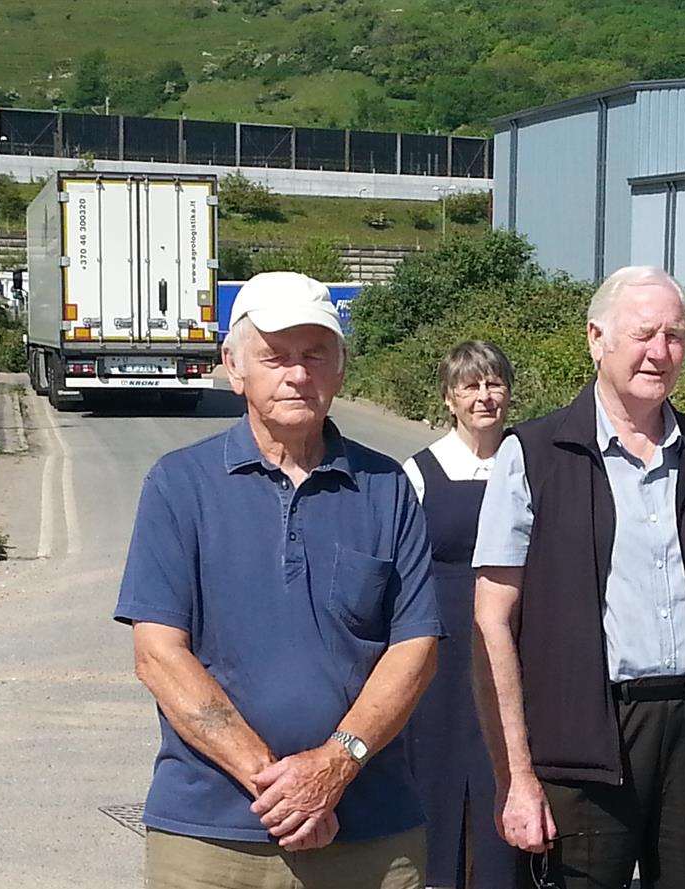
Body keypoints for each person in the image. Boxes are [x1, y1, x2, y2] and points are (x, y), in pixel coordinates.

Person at [114, 272, 443, 889]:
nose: (297, 374)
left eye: (315, 355)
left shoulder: (387, 489)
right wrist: (281, 786)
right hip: (209, 839)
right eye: (276, 357)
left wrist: (333, 768)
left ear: (341, 370)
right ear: (235, 369)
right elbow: (158, 656)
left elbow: (416, 651)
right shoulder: (179, 486)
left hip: (372, 835)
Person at [470, 265, 685, 889]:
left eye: (674, 337)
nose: (660, 352)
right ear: (596, 338)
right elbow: (492, 619)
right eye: (644, 334)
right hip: (585, 735)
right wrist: (517, 776)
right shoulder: (532, 455)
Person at [401, 341, 518, 889]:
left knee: (507, 772)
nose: (483, 397)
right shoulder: (419, 472)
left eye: (493, 384)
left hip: (515, 643)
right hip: (444, 650)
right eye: (471, 386)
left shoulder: (528, 463)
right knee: (441, 775)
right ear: (450, 397)